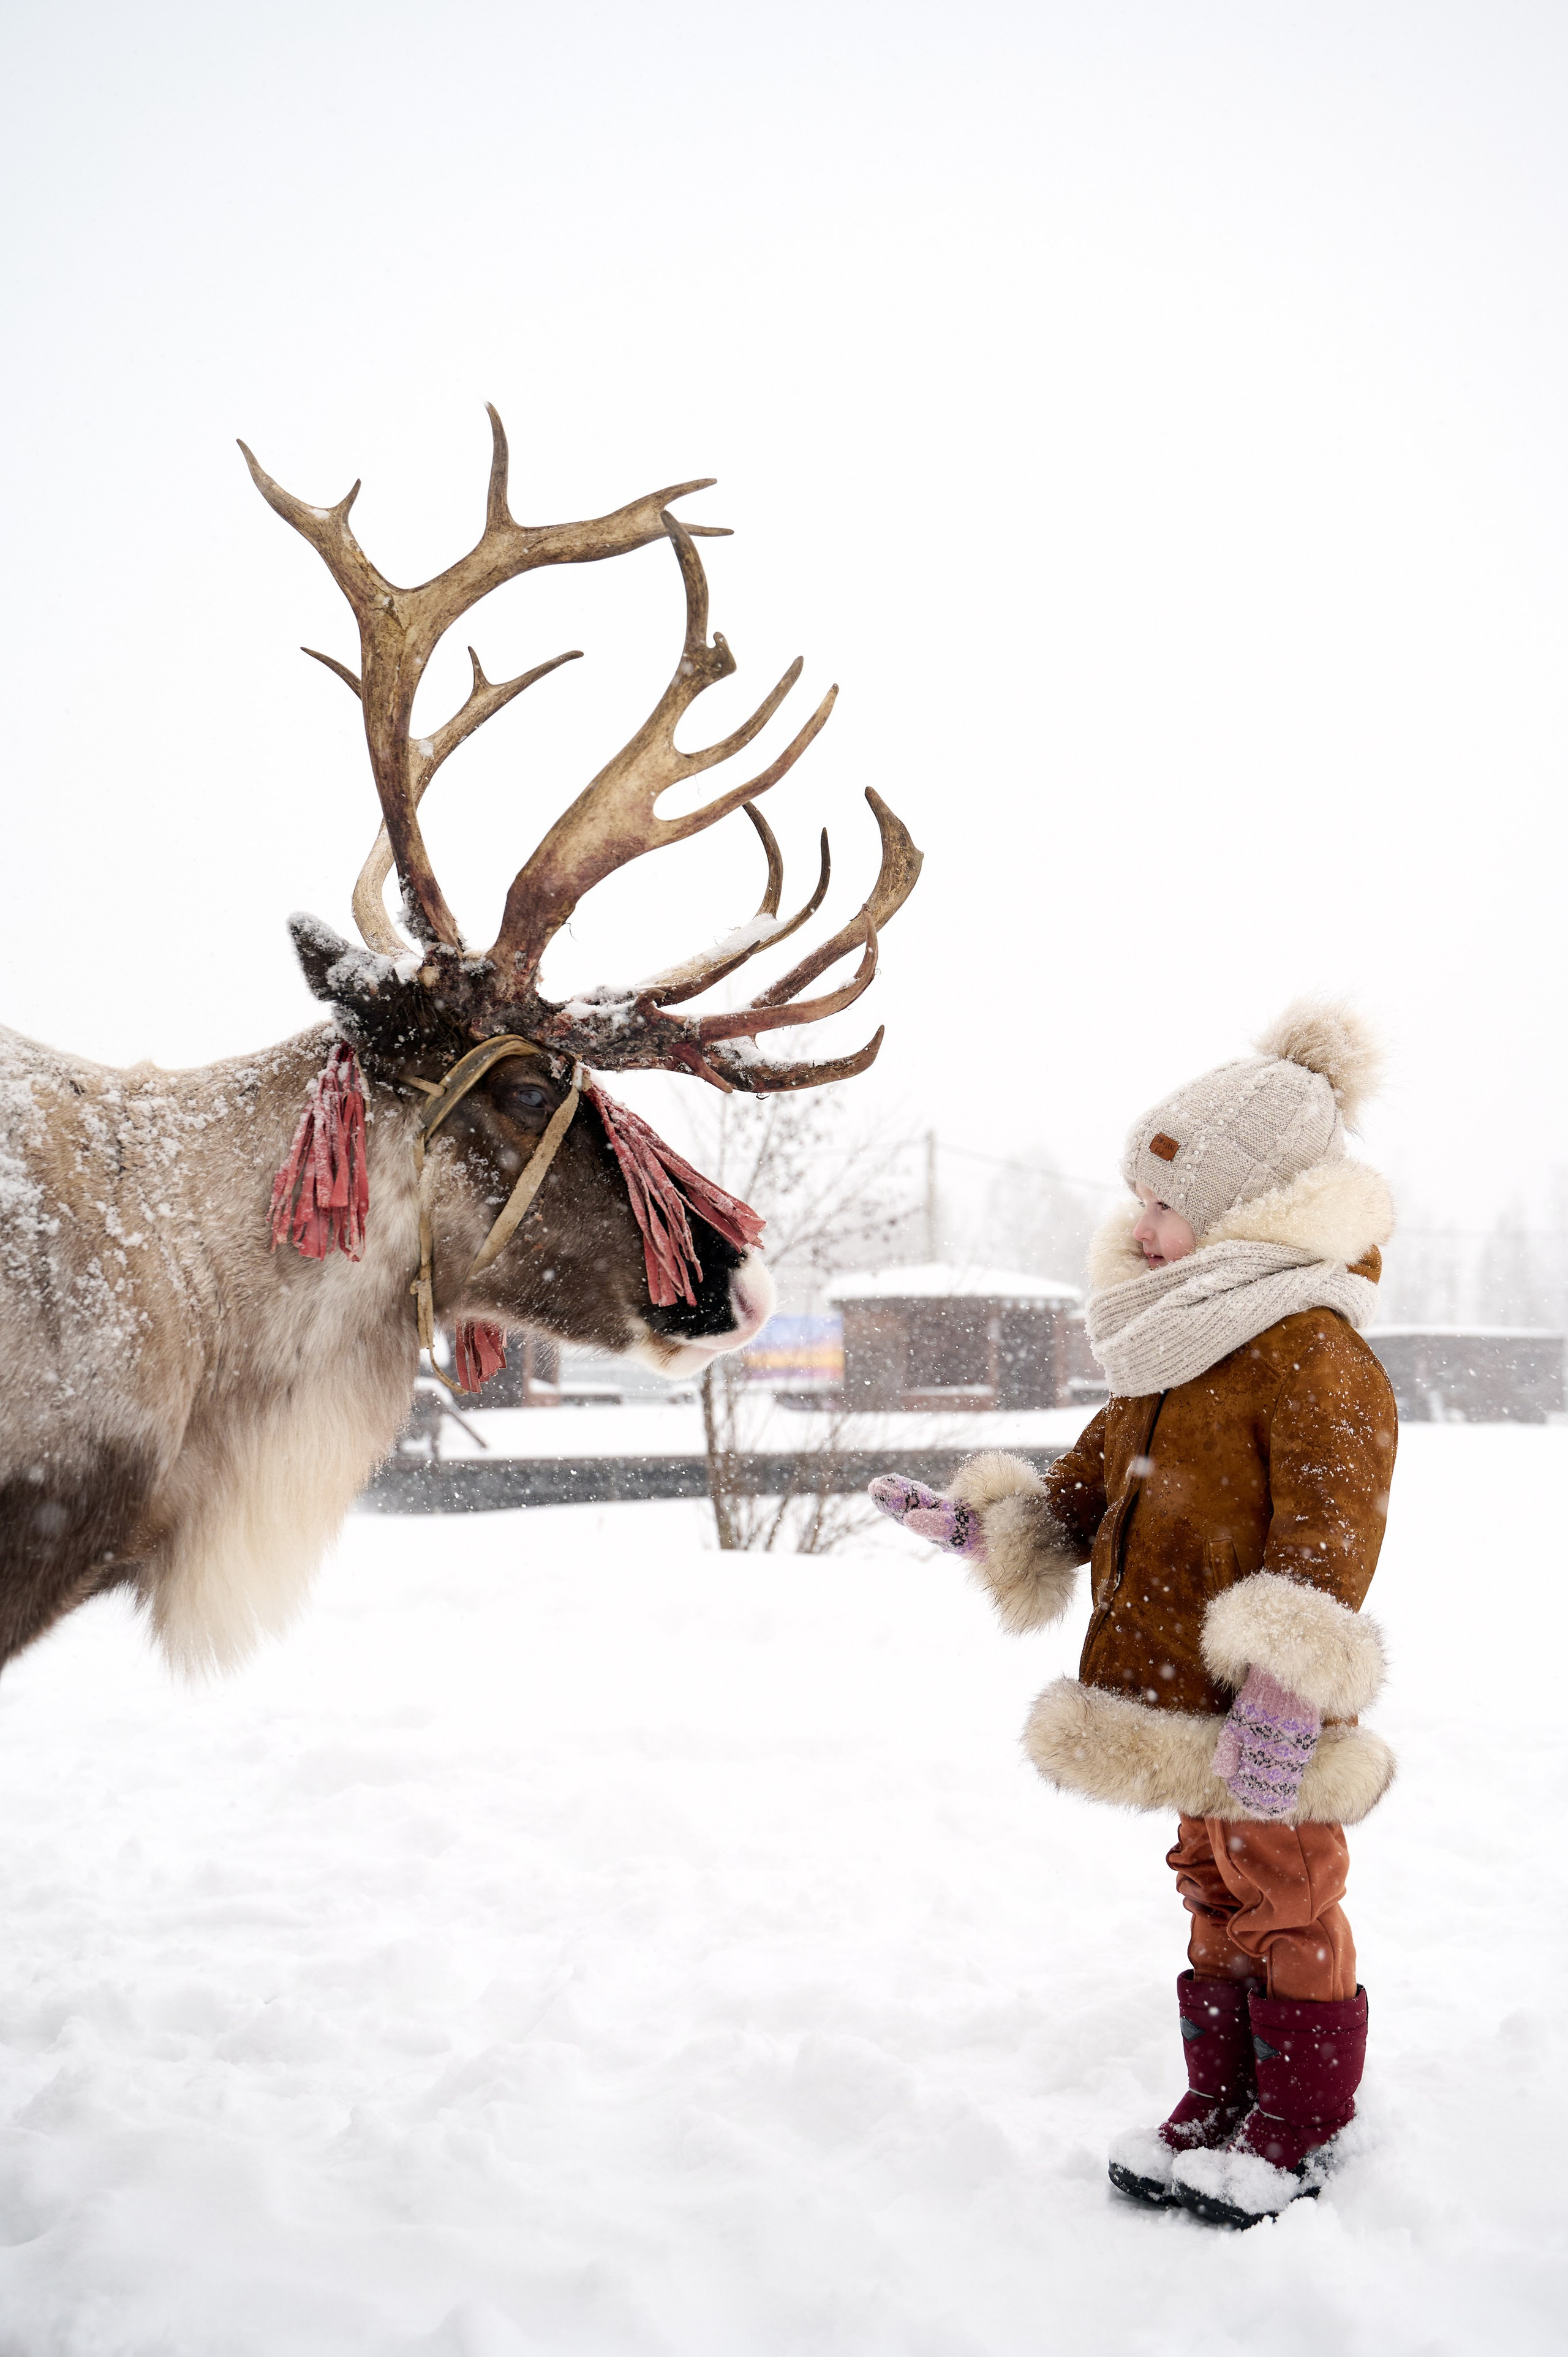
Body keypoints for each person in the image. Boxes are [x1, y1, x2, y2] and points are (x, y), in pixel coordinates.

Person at [871, 1002, 1398, 2228]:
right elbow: (1084, 1492)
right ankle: (1218, 2095)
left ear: (1243, 1212)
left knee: (1284, 1889)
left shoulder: (1308, 1352)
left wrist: (1286, 1682)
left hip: (1266, 1712)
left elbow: (1329, 1528)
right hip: (1167, 1690)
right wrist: (979, 1529)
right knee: (1210, 1887)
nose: (1140, 1228)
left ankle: (1301, 2117)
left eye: (1165, 1205)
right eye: (1141, 1201)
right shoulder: (1173, 1349)